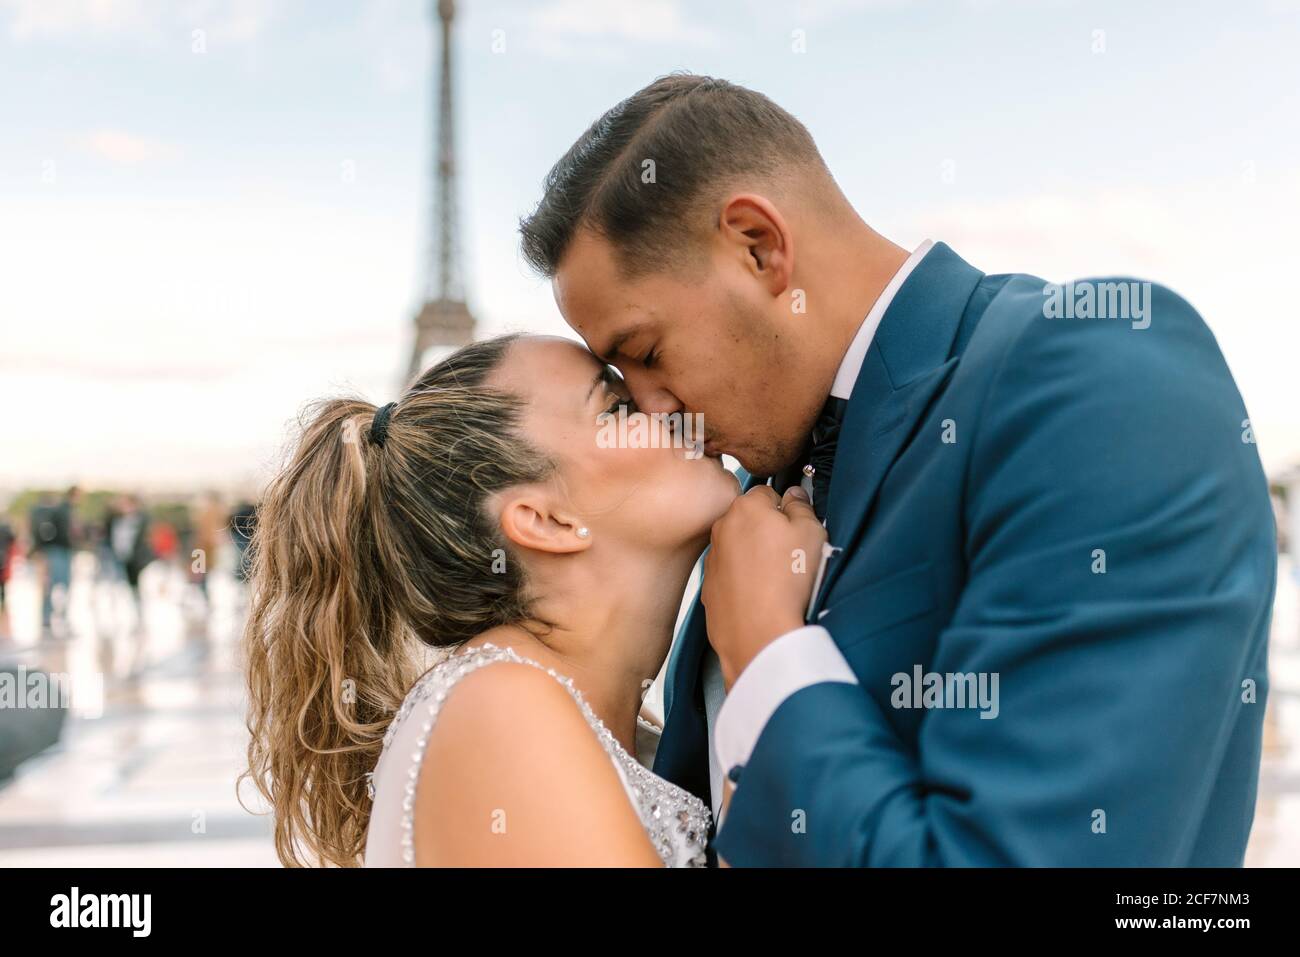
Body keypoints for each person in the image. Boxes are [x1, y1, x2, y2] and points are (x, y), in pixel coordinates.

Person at [518, 75, 1276, 866]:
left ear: (758, 245)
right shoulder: (746, 508)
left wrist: (770, 654)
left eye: (644, 354)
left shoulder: (1099, 373)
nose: (653, 412)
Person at [241, 334, 737, 866]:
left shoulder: (560, 709)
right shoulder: (503, 710)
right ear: (546, 521)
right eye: (615, 406)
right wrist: (760, 655)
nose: (665, 404)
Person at [30, 487, 80, 638]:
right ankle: (58, 617)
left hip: (53, 551)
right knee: (59, 585)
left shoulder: (56, 511)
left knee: (52, 586)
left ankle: (48, 618)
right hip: (58, 551)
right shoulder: (62, 511)